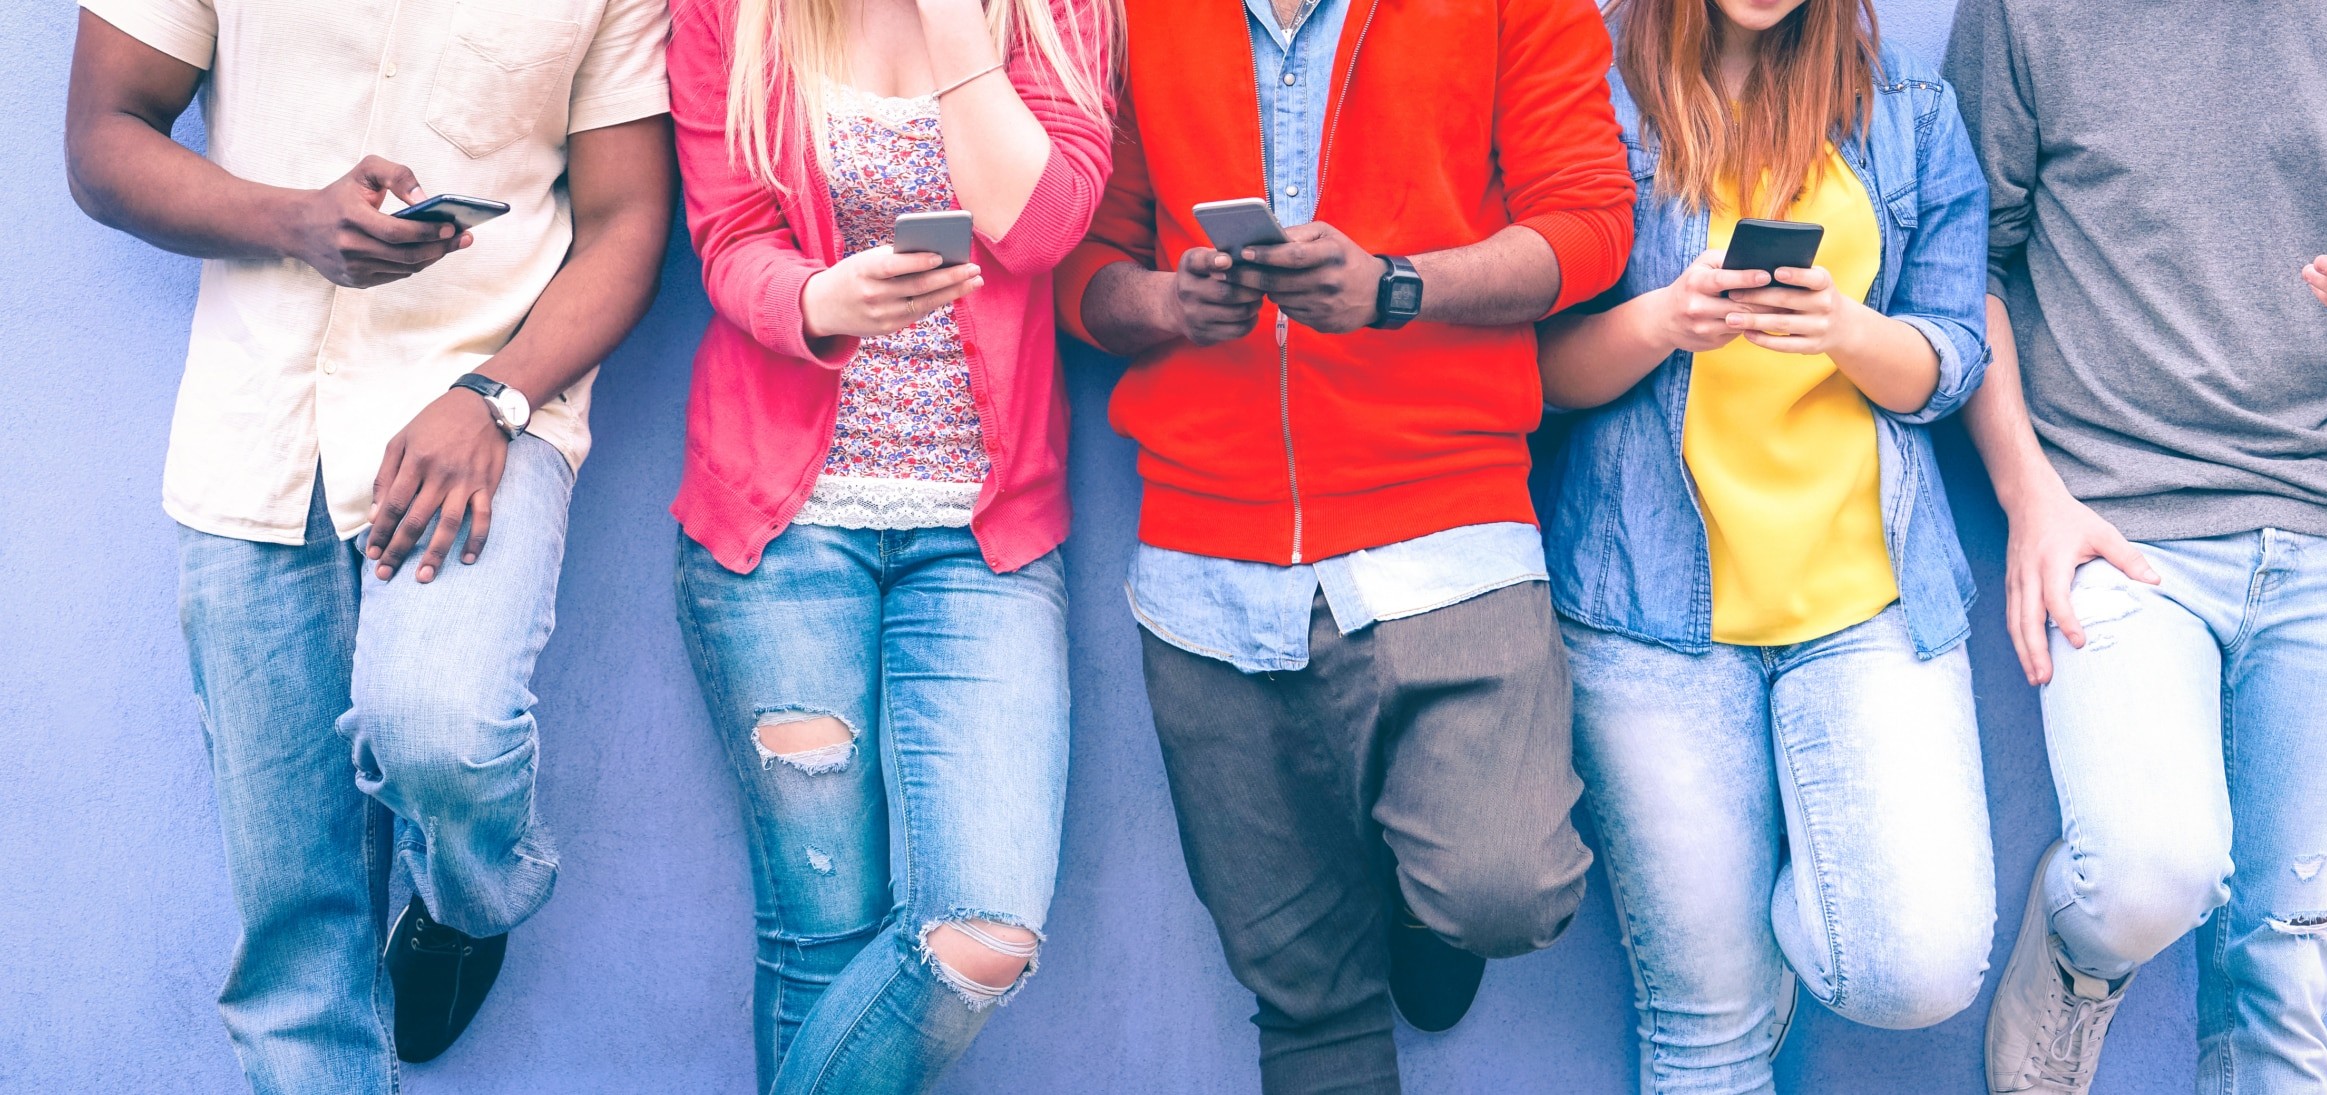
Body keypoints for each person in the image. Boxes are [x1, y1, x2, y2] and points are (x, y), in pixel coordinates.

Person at [61, 0, 674, 1086]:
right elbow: (105, 140)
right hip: (258, 431)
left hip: (486, 412)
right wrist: (295, 221)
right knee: (298, 948)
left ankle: (470, 898)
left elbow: (627, 220)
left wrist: (495, 396)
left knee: (444, 728)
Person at [1054, 0, 1632, 1087]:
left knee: (1500, 888)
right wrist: (1170, 303)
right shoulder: (1127, 12)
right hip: (1205, 568)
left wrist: (1395, 287)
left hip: (1448, 530)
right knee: (1304, 999)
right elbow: (1079, 263)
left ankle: (1427, 909)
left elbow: (1592, 224)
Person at [1944, 1, 2327, 1091]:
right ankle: (2073, 954)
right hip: (2120, 526)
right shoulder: (2027, 13)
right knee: (2146, 875)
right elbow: (1963, 264)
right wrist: (2028, 494)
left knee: (2282, 978)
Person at [1534, 0, 1995, 1089]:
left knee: (1915, 967)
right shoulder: (1588, 94)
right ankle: (1736, 965)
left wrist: (1846, 329)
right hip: (1647, 621)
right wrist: (1662, 322)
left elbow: (1955, 360)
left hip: (1867, 607)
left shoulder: (1910, 116)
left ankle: (1786, 906)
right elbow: (1531, 378)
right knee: (1706, 1024)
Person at [664, 0, 1113, 1089]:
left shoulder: (1058, 15)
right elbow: (728, 243)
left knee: (982, 932)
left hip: (984, 542)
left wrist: (960, 27)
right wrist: (824, 297)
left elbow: (1041, 229)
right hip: (780, 527)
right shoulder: (730, 14)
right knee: (818, 933)